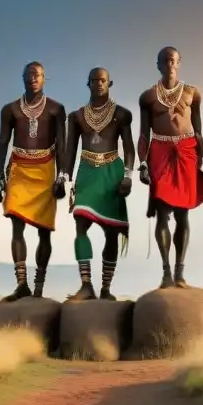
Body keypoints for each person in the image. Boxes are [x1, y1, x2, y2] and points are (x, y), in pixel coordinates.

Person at [0, 62, 68, 301]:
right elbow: (3, 141)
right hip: (19, 169)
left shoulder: (56, 109)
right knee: (16, 224)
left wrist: (62, 176)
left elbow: (63, 145)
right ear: (22, 78)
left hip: (45, 170)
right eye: (29, 75)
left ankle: (38, 287)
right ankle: (21, 284)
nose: (33, 78)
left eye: (38, 75)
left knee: (44, 232)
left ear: (45, 79)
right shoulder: (10, 110)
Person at [137, 47, 203, 289]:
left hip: (186, 152)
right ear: (158, 64)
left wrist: (200, 153)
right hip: (159, 151)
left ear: (179, 63)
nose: (170, 63)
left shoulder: (192, 93)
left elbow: (198, 130)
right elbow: (143, 134)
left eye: (173, 60)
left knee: (183, 213)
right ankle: (166, 273)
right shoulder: (148, 97)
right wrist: (143, 163)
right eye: (165, 60)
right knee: (161, 210)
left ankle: (180, 272)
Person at [63, 68, 136, 301]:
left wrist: (128, 176)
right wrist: (63, 177)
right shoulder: (76, 117)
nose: (98, 84)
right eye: (94, 80)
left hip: (112, 171)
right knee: (80, 223)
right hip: (86, 171)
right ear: (88, 84)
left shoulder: (122, 114)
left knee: (111, 232)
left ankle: (105, 288)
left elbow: (130, 147)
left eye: (102, 80)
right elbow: (70, 150)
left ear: (109, 83)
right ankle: (86, 285)